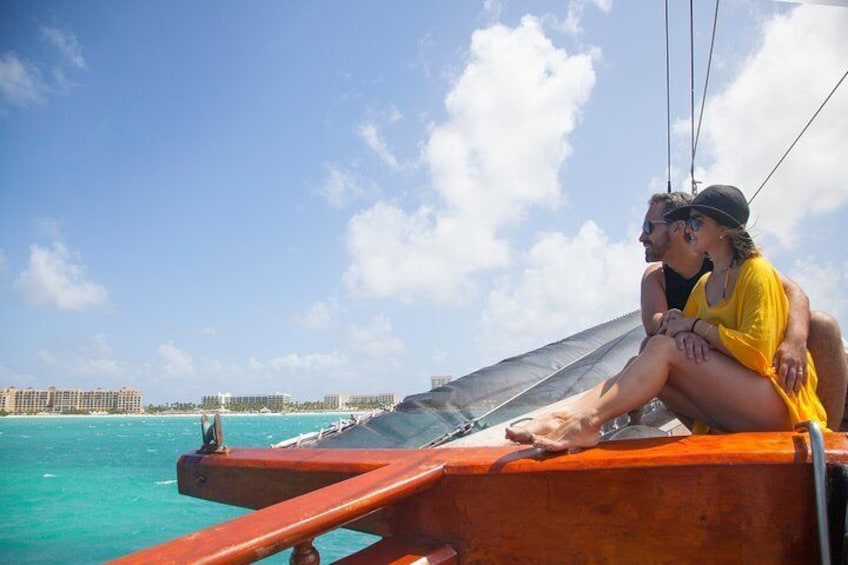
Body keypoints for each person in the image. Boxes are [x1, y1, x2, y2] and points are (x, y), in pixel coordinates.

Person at [506, 185, 827, 452]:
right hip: (739, 401)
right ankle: (567, 416)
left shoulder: (754, 271)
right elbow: (668, 330)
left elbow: (757, 353)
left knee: (661, 349)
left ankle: (587, 422)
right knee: (654, 348)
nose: (691, 229)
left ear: (723, 230)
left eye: (697, 222)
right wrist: (681, 329)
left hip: (779, 406)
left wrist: (694, 327)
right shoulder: (702, 283)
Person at [640, 192, 848, 430]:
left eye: (648, 227)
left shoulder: (726, 258)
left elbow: (796, 294)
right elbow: (655, 323)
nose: (642, 236)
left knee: (823, 324)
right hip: (705, 357)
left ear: (677, 228)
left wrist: (794, 341)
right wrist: (682, 331)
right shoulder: (657, 277)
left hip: (748, 357)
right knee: (650, 348)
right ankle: (713, 434)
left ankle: (829, 448)